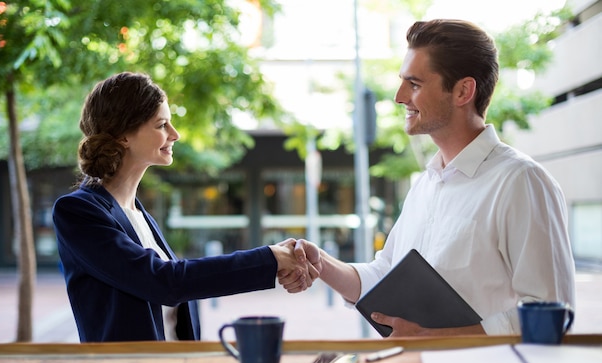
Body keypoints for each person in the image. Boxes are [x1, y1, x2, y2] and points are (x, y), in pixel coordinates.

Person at [296, 19, 575, 337]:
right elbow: (385, 275)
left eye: (414, 84)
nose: (400, 96)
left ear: (463, 91)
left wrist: (436, 339)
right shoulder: (426, 185)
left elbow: (552, 312)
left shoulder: (521, 182)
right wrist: (322, 265)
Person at [52, 72, 313, 343]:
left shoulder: (140, 216)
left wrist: (277, 259)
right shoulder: (77, 212)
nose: (174, 134)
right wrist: (268, 259)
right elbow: (166, 282)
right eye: (161, 125)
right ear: (123, 135)